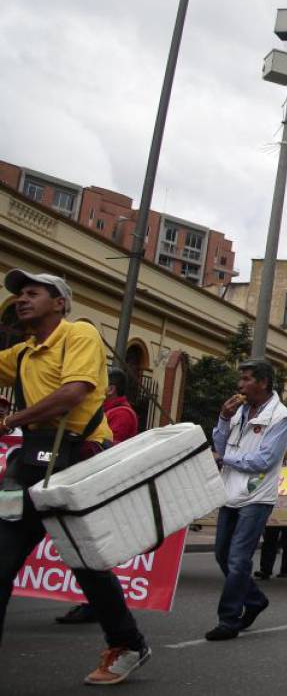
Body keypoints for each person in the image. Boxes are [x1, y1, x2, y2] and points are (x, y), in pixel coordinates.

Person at [0, 270, 152, 685]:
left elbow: (74, 392)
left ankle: (129, 643)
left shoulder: (78, 334)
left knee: (86, 563)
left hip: (76, 462)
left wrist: (10, 418)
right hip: (28, 464)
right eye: (18, 295)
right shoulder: (22, 353)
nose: (21, 300)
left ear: (60, 303)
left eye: (33, 293)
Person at [205, 358, 287, 641]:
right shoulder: (237, 411)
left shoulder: (280, 417)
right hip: (230, 491)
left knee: (238, 558)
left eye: (246, 379)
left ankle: (228, 619)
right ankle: (254, 599)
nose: (239, 385)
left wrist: (224, 458)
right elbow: (218, 447)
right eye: (240, 378)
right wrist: (221, 418)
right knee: (222, 554)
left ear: (263, 382)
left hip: (256, 496)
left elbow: (265, 459)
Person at [55, 367, 141, 625]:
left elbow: (109, 453)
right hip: (89, 488)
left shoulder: (121, 414)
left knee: (94, 549)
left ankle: (100, 606)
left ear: (110, 388)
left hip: (102, 490)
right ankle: (95, 604)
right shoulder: (103, 412)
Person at [255, 444, 287, 579]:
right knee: (269, 539)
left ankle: (286, 570)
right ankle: (265, 569)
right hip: (274, 507)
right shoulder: (275, 462)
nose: (285, 449)